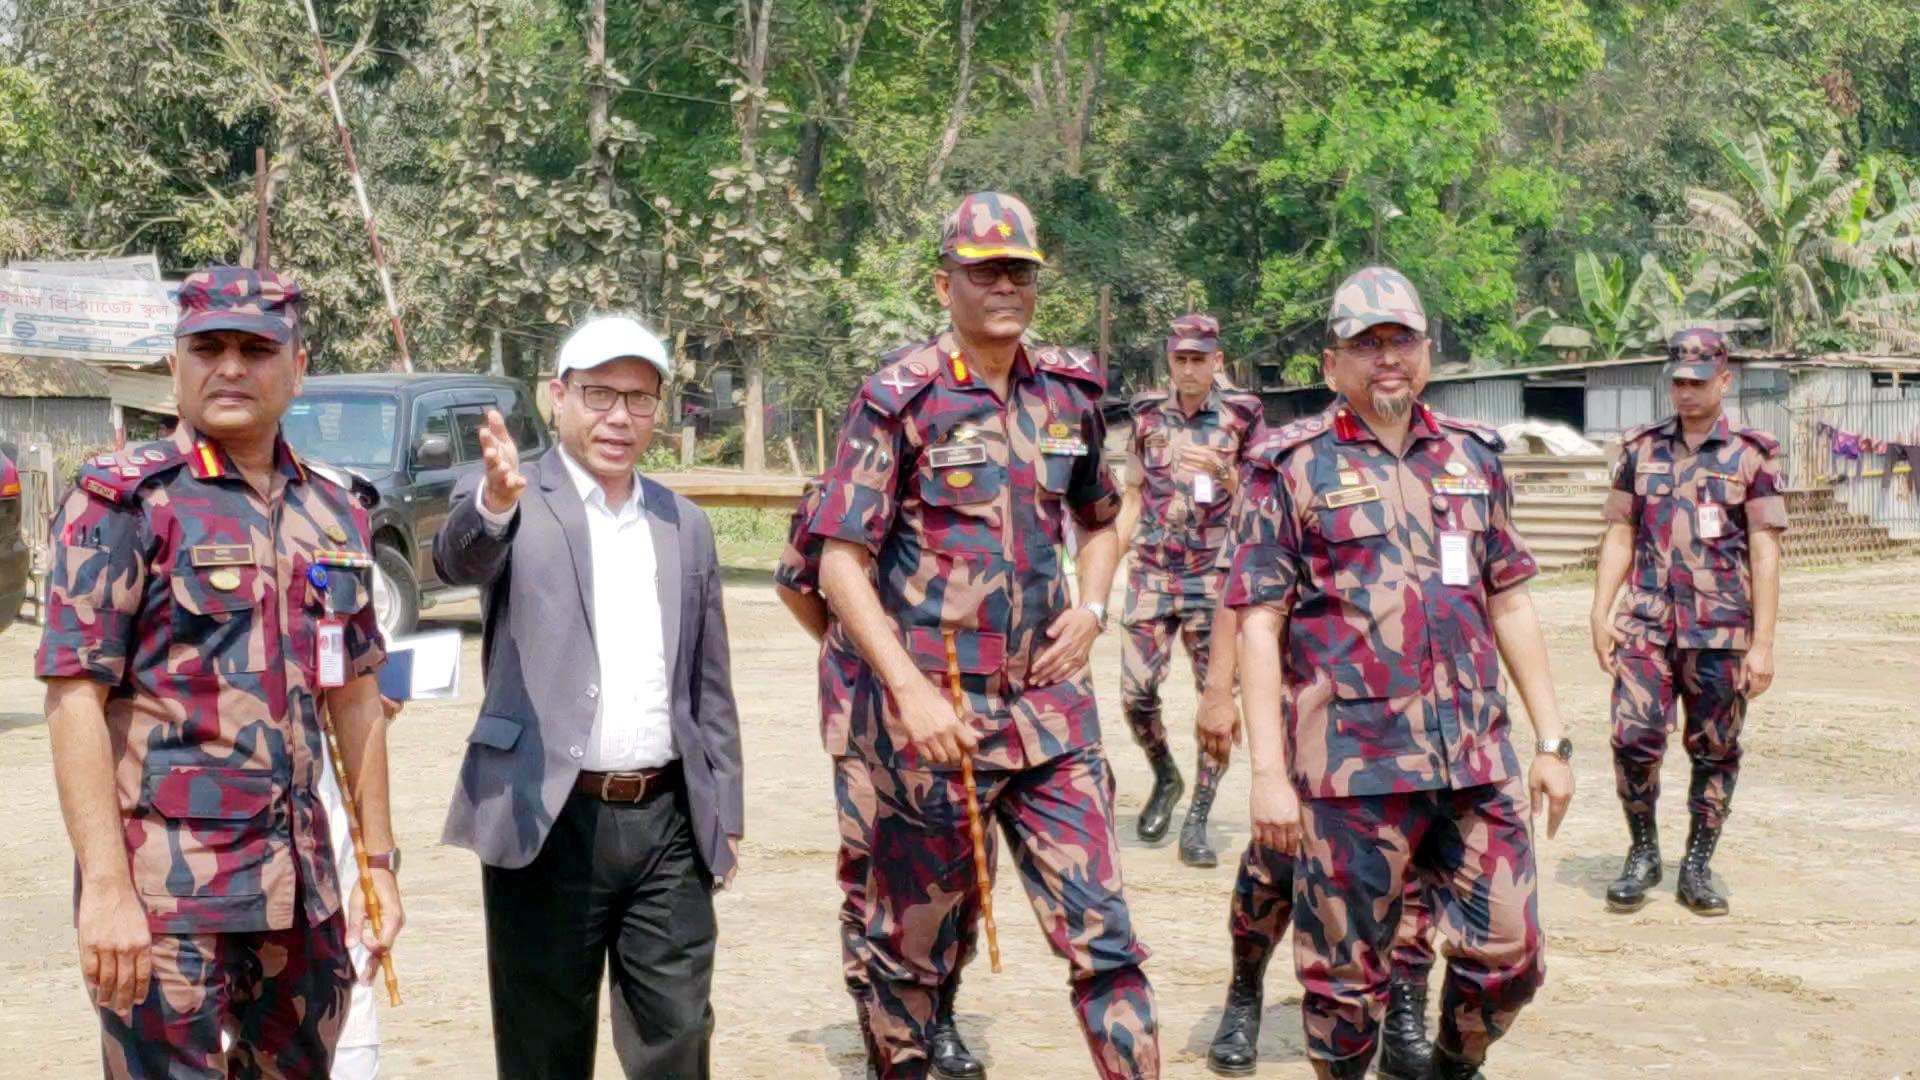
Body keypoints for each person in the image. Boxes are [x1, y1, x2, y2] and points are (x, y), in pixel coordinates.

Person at [811, 191, 1158, 1079]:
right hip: (937, 726)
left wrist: (1092, 606)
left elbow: (1105, 517)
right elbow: (837, 564)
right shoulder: (901, 400)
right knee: (911, 961)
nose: (1006, 284)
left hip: (1050, 716)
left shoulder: (1069, 393)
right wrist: (907, 689)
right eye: (985, 270)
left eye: (1020, 271)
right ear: (946, 282)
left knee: (1106, 941)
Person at [37, 266, 402, 1077]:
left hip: (302, 889)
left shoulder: (336, 513)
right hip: (167, 900)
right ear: (175, 365)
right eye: (208, 346)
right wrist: (105, 887)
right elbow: (73, 704)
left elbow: (357, 696)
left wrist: (377, 866)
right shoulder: (122, 505)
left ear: (297, 369)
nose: (231, 366)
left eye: (256, 348)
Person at [1229, 266, 1574, 1080]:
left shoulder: (1473, 457)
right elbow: (1257, 622)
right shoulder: (1289, 466)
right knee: (1345, 988)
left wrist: (1552, 740)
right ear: (1331, 364)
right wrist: (1268, 776)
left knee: (1511, 955)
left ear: (1428, 350)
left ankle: (1452, 1069)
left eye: (1402, 341)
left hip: (1474, 762)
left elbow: (1511, 603)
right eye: (1367, 344)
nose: (1387, 358)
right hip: (1353, 770)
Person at [434, 315, 743, 1079]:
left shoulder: (685, 523)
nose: (619, 417)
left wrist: (723, 814)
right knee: (544, 1049)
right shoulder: (509, 495)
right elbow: (456, 557)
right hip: (546, 817)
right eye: (599, 393)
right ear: (556, 398)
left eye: (639, 399)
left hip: (667, 824)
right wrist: (497, 504)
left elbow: (710, 684)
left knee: (676, 1041)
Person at [1196, 514, 1437, 1079]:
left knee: (1414, 867)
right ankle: (1245, 991)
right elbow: (1243, 594)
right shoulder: (1295, 467)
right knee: (1279, 859)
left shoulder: (1444, 462)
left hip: (1417, 714)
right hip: (1315, 704)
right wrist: (1216, 690)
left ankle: (1404, 1014)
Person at [776, 480, 988, 1080]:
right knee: (872, 872)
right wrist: (847, 648)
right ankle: (883, 1033)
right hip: (862, 717)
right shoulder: (832, 495)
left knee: (963, 871)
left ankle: (939, 1011)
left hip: (954, 715)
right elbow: (795, 583)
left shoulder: (956, 492)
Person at [1591, 328, 1786, 917]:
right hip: (1647, 623)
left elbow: (1766, 550)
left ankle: (1697, 865)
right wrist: (1600, 611)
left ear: (1724, 381)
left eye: (1698, 382)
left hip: (1721, 631)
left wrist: (1764, 645)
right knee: (1633, 740)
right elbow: (1620, 532)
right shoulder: (1640, 449)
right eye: (1677, 381)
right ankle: (1643, 852)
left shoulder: (1751, 455)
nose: (1686, 392)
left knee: (1715, 749)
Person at [1112, 314, 1265, 864]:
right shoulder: (1146, 415)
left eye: (1201, 359)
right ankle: (1165, 776)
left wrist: (1227, 478)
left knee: (1215, 702)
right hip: (1152, 572)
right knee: (1135, 694)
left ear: (1217, 361)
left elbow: (1264, 500)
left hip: (1214, 576)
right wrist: (1102, 575)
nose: (1191, 369)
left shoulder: (1244, 417)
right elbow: (1132, 495)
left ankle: (1198, 817)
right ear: (1169, 361)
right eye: (1181, 359)